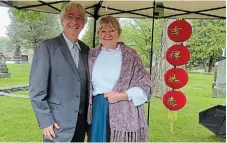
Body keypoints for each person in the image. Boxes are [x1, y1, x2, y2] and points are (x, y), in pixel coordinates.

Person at [29, 2, 90, 142]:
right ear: (62, 21)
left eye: (79, 17)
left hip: (80, 125)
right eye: (70, 16)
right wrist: (45, 121)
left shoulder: (86, 50)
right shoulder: (46, 48)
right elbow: (36, 91)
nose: (74, 21)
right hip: (56, 126)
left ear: (84, 23)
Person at [87, 15, 152, 142]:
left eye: (112, 30)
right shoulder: (90, 55)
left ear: (119, 32)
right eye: (103, 31)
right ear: (98, 34)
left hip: (124, 107)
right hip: (98, 109)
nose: (107, 34)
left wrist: (123, 95)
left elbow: (146, 83)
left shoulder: (130, 55)